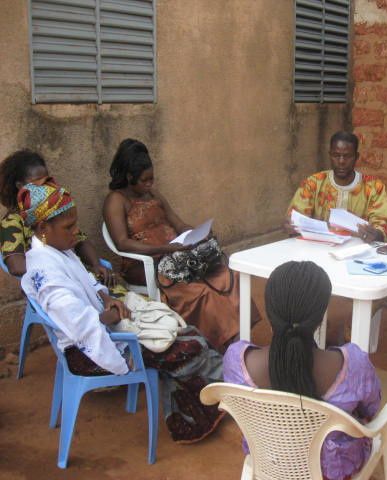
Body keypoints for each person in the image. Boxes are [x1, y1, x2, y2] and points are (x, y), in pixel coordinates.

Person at [18, 180, 226, 443]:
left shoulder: (57, 252)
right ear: (42, 228)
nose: (76, 231)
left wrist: (106, 298)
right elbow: (80, 325)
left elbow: (89, 282)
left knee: (188, 335)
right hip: (88, 351)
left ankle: (196, 413)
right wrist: (108, 319)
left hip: (104, 329)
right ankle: (218, 403)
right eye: (69, 227)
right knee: (190, 346)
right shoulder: (46, 274)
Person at [222, 261, 382, 480]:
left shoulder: (236, 361)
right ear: (318, 318)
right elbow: (371, 410)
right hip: (332, 472)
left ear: (270, 311)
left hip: (269, 462)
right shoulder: (353, 364)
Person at [103, 139, 259, 351]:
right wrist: (166, 249)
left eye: (152, 179)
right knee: (202, 292)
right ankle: (228, 347)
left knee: (229, 277)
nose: (150, 185)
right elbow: (123, 243)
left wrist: (197, 234)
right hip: (150, 265)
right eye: (145, 180)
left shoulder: (153, 195)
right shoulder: (116, 200)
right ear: (130, 177)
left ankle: (238, 340)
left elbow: (178, 223)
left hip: (179, 257)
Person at [0, 150, 116, 286]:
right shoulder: (12, 222)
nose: (46, 188)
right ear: (20, 186)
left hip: (79, 278)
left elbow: (80, 240)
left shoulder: (53, 209)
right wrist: (61, 270)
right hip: (54, 283)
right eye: (38, 184)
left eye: (47, 182)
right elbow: (16, 267)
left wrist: (96, 264)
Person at [285, 131, 387, 243]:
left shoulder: (373, 187)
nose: (341, 161)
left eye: (347, 156)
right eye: (336, 155)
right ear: (330, 155)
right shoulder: (313, 183)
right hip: (319, 249)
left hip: (358, 252)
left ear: (356, 157)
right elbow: (296, 218)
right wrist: (292, 225)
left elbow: (383, 224)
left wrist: (377, 234)